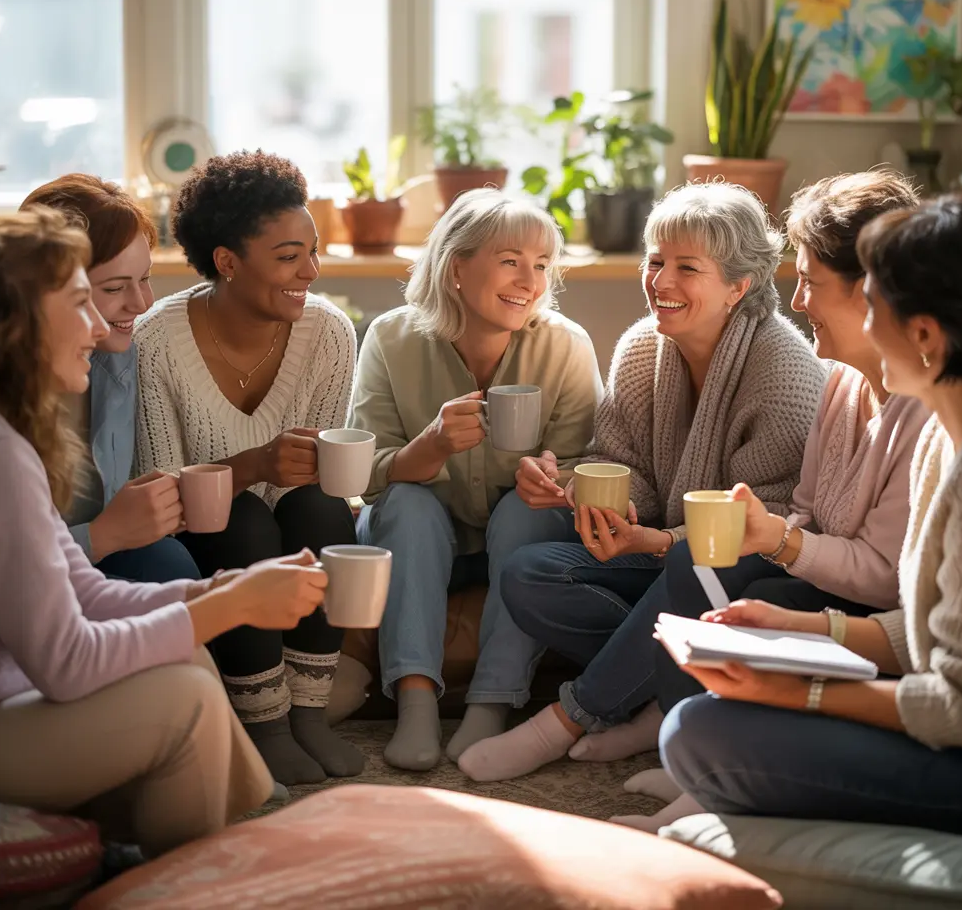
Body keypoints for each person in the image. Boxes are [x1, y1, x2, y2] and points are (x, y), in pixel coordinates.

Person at [561, 170, 933, 789]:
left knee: (706, 578)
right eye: (656, 262)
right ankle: (671, 718)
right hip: (814, 574)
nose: (799, 300)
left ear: (871, 292)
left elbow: (881, 576)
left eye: (811, 281)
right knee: (577, 570)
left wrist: (773, 540)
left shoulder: (890, 403)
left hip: (863, 601)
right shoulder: (841, 381)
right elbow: (807, 508)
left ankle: (591, 717)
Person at [0, 209, 334, 855]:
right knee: (186, 700)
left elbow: (85, 592)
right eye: (83, 302)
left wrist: (221, 592)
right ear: (20, 321)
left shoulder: (8, 437)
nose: (100, 324)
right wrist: (231, 606)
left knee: (186, 656)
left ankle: (217, 854)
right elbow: (67, 663)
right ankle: (193, 877)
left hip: (0, 706)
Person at [657, 195, 962, 840]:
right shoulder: (948, 433)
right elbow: (936, 635)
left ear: (925, 335)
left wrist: (796, 692)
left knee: (701, 733)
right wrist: (798, 627)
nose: (865, 329)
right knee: (707, 718)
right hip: (955, 711)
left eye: (872, 306)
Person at [459, 181, 827, 783]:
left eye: (688, 267)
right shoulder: (639, 348)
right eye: (656, 261)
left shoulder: (782, 373)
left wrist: (656, 544)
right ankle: (661, 695)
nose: (661, 281)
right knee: (528, 574)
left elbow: (769, 524)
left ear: (741, 285)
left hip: (745, 573)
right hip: (662, 561)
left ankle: (570, 717)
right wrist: (582, 489)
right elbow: (630, 473)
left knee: (695, 567)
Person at [350, 188, 603, 770]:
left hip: (517, 536)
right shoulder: (391, 338)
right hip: (418, 534)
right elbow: (366, 476)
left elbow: (586, 466)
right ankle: (415, 703)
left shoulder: (566, 347)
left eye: (541, 265)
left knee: (527, 507)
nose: (530, 280)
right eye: (511, 260)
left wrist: (553, 480)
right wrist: (432, 445)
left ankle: (492, 702)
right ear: (457, 266)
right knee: (407, 501)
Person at [133, 150, 362, 786]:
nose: (310, 272)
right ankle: (263, 719)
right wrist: (251, 464)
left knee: (318, 506)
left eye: (313, 252)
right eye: (289, 257)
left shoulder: (330, 333)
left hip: (291, 530)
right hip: (206, 539)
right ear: (228, 262)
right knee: (242, 515)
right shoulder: (157, 342)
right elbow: (161, 491)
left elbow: (320, 478)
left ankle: (308, 712)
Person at [19, 174, 200, 585]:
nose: (142, 303)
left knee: (168, 562)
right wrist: (105, 535)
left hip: (86, 567)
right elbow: (3, 564)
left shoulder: (117, 357)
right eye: (115, 287)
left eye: (146, 278)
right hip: (28, 584)